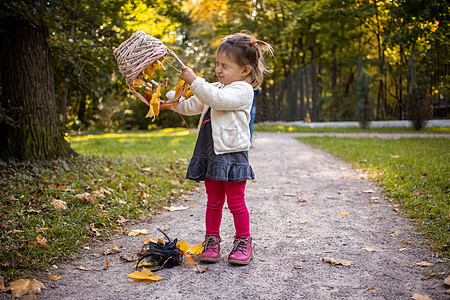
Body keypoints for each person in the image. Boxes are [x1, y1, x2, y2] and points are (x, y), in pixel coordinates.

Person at [162, 32, 272, 265]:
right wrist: (170, 97)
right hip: (210, 153)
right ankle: (211, 240)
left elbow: (216, 100)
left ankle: (243, 240)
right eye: (217, 65)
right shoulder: (215, 86)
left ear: (245, 71)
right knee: (213, 201)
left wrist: (195, 81)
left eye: (225, 66)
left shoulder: (242, 90)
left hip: (231, 154)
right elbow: (192, 104)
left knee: (235, 202)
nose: (218, 70)